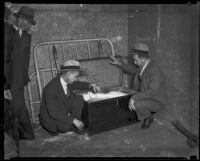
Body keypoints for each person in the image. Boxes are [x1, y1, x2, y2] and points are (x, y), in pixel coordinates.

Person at [110, 43, 166, 129]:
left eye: (136, 61)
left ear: (143, 59)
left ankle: (149, 117)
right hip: (145, 94)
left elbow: (151, 92)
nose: (135, 63)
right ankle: (142, 111)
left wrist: (134, 97)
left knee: (135, 103)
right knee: (123, 90)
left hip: (156, 100)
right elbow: (134, 70)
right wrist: (119, 64)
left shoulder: (155, 71)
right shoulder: (144, 65)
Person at [39, 60, 101, 136]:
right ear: (68, 74)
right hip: (50, 118)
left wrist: (91, 84)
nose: (75, 79)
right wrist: (73, 120)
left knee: (78, 99)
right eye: (75, 76)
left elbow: (77, 84)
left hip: (62, 108)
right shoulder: (50, 88)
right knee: (66, 126)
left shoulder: (67, 81)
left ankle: (76, 125)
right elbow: (54, 113)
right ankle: (59, 129)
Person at [8, 6, 37, 140]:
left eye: (29, 22)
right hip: (10, 76)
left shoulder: (27, 36)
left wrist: (23, 77)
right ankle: (20, 133)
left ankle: (28, 134)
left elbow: (24, 59)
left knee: (18, 105)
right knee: (15, 105)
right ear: (19, 20)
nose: (28, 25)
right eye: (26, 21)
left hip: (17, 78)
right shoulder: (9, 33)